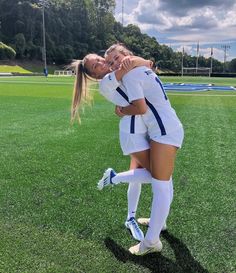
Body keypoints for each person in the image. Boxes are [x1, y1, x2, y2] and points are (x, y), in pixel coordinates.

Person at [99, 43, 184, 256]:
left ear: (126, 55)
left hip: (164, 132)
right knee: (163, 181)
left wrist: (120, 110)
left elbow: (140, 108)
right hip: (164, 130)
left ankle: (151, 242)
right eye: (109, 63)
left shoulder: (131, 75)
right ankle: (160, 223)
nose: (113, 64)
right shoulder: (141, 69)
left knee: (161, 185)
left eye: (116, 58)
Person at [71, 52, 154, 241]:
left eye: (99, 59)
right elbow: (134, 64)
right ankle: (114, 178)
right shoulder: (106, 80)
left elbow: (143, 67)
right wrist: (134, 60)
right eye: (96, 65)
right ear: (94, 75)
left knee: (137, 176)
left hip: (142, 128)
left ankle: (130, 218)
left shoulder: (115, 73)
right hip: (133, 134)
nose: (101, 62)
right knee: (157, 175)